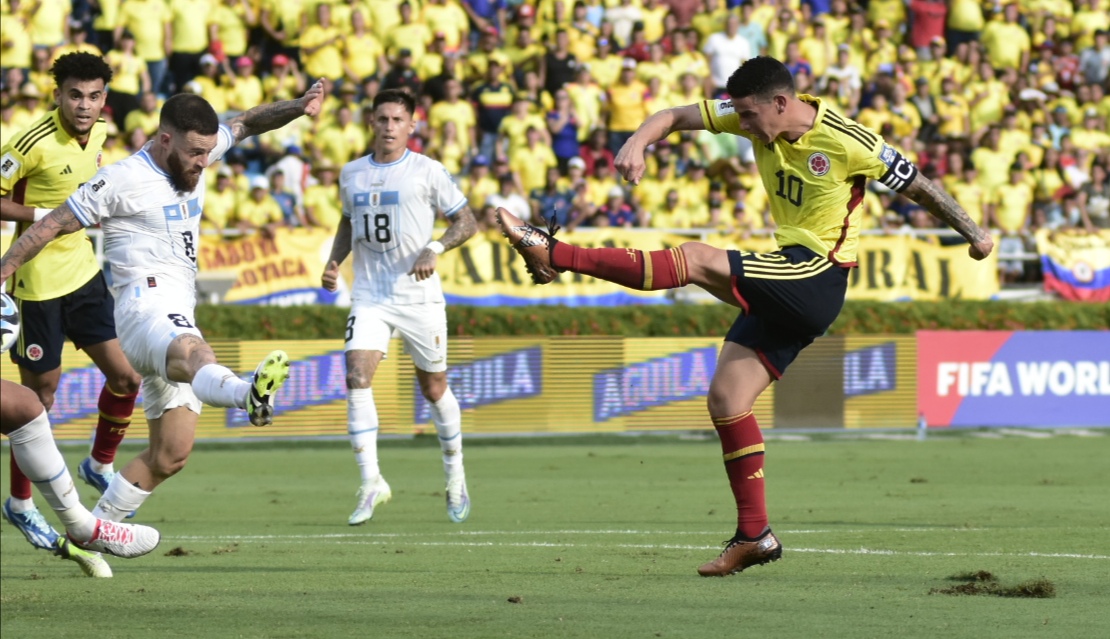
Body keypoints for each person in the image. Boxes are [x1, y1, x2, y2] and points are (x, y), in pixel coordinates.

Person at [496, 57, 993, 577]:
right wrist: (639, 140)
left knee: (697, 258)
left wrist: (974, 233)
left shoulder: (851, 141)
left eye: (751, 118)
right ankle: (755, 535)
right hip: (788, 278)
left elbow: (919, 185)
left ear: (781, 103)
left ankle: (555, 255)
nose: (745, 127)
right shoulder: (750, 112)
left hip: (816, 276)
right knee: (727, 399)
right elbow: (675, 115)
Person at [0, 81, 327, 525]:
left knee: (170, 454)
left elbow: (247, 122)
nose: (202, 162)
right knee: (196, 351)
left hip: (178, 307)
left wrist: (299, 106)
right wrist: (1, 275)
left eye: (208, 152)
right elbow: (50, 227)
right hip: (143, 309)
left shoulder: (199, 152)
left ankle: (94, 533)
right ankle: (246, 393)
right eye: (195, 152)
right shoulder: (120, 179)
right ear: (165, 138)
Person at [0, 52, 144, 553]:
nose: (85, 105)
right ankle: (20, 503)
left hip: (83, 274)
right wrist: (44, 213)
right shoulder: (28, 142)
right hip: (35, 285)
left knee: (127, 378)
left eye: (94, 95)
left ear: (105, 98)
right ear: (57, 93)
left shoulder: (102, 134)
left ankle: (98, 465)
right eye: (75, 95)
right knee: (36, 405)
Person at [321, 89, 478, 526]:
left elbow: (467, 221)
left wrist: (434, 247)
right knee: (356, 375)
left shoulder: (427, 171)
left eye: (397, 120)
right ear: (371, 123)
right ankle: (372, 482)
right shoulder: (351, 173)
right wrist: (335, 262)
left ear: (412, 125)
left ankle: (455, 476)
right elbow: (348, 221)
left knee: (433, 387)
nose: (389, 126)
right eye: (382, 119)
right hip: (370, 295)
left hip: (419, 296)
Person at [0, 292, 161, 578]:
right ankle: (32, 507)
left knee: (25, 408)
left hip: (80, 282)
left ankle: (83, 522)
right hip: (36, 290)